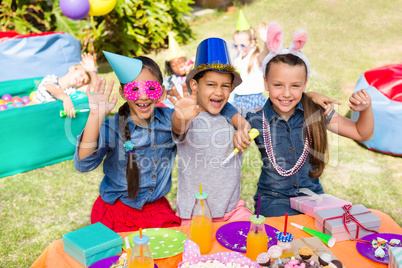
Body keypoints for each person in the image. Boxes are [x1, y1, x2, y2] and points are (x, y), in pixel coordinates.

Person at [227, 22, 374, 217]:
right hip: (273, 200)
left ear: (305, 83)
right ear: (265, 82)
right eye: (278, 85)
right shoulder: (255, 118)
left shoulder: (317, 112)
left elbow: (361, 133)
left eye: (295, 85)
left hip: (314, 198)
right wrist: (240, 127)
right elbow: (223, 106)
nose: (286, 93)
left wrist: (366, 109)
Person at [74, 51, 181, 232]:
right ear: (124, 93)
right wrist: (95, 116)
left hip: (156, 210)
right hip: (117, 213)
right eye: (134, 89)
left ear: (161, 92)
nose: (143, 96)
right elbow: (83, 164)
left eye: (150, 88)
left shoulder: (171, 121)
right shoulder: (113, 127)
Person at [169, 37, 254, 225]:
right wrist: (180, 118)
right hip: (193, 215)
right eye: (211, 85)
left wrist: (243, 125)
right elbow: (178, 127)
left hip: (232, 212)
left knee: (259, 240)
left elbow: (270, 111)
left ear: (232, 88)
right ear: (194, 85)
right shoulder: (188, 117)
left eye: (225, 86)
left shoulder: (235, 115)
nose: (219, 92)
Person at [32, 53, 98, 118]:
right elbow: (53, 90)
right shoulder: (51, 78)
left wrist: (92, 71)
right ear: (72, 68)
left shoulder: (72, 91)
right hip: (32, 110)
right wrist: (66, 99)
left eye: (83, 81)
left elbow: (94, 89)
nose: (81, 79)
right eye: (81, 75)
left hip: (45, 117)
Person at [229, 10, 269, 109]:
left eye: (243, 45)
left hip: (253, 99)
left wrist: (266, 42)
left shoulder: (255, 58)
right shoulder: (237, 58)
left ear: (252, 43)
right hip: (238, 99)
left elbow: (265, 53)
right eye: (236, 45)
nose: (239, 49)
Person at [161, 32, 194, 108]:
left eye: (181, 62)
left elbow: (193, 86)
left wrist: (188, 72)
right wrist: (166, 91)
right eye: (174, 65)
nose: (179, 66)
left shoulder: (192, 74)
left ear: (185, 61)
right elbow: (172, 89)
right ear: (171, 69)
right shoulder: (172, 79)